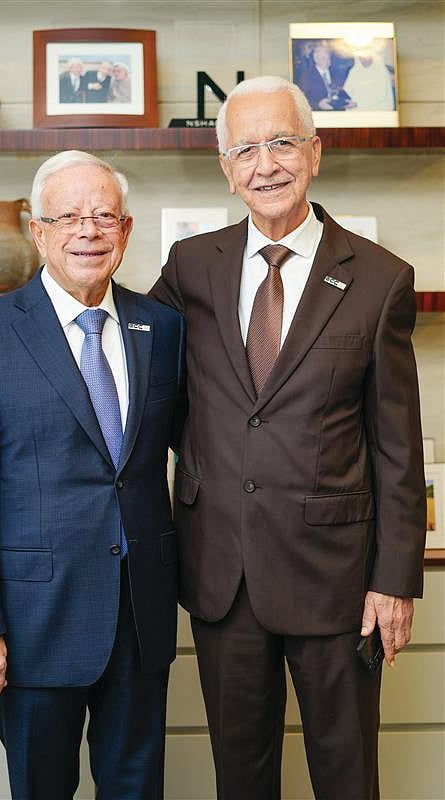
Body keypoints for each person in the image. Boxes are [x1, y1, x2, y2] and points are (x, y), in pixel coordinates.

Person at [149, 75, 426, 800]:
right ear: (225, 168)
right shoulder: (190, 267)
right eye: (245, 149)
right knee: (240, 779)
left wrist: (393, 581)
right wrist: (9, 315)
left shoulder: (380, 279)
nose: (265, 164)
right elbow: (121, 343)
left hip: (338, 579)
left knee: (346, 776)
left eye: (281, 143)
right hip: (223, 572)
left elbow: (397, 445)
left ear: (315, 152)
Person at [0, 150, 186, 800]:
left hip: (140, 617)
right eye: (68, 216)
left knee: (138, 790)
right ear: (38, 232)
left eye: (103, 216)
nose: (87, 231)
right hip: (31, 624)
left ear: (125, 230)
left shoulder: (161, 327)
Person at [297, 42, 354, 111]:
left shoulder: (336, 74)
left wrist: (348, 101)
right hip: (319, 114)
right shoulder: (307, 76)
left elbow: (340, 91)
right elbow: (301, 99)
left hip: (338, 113)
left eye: (328, 58)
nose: (327, 62)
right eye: (323, 59)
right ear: (316, 59)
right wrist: (318, 105)